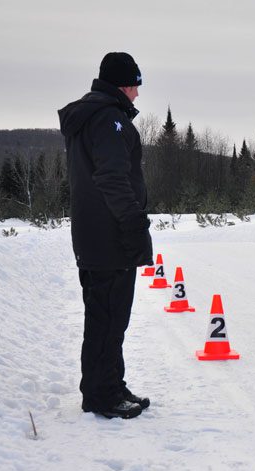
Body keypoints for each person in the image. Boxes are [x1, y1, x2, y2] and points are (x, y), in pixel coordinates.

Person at [58, 52, 153, 419]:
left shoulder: (90, 117)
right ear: (121, 84)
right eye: (135, 85)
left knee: (107, 316)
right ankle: (101, 394)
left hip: (93, 235)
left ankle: (110, 384)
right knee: (109, 318)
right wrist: (134, 225)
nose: (137, 94)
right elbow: (112, 179)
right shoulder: (110, 120)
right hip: (109, 237)